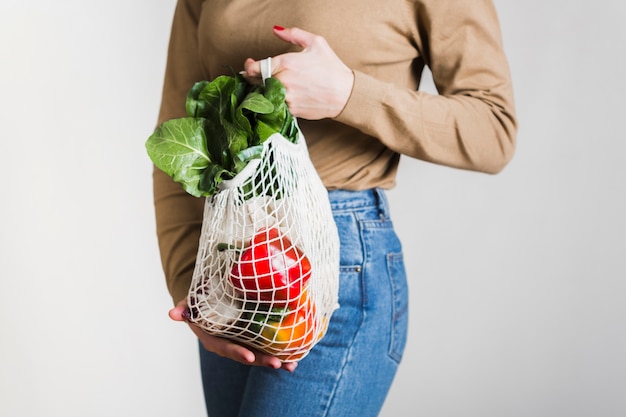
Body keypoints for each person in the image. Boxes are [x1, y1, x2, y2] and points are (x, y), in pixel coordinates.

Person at [152, 1, 517, 416]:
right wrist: (190, 286)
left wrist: (348, 93)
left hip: (332, 268)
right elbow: (177, 137)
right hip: (229, 263)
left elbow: (494, 130)